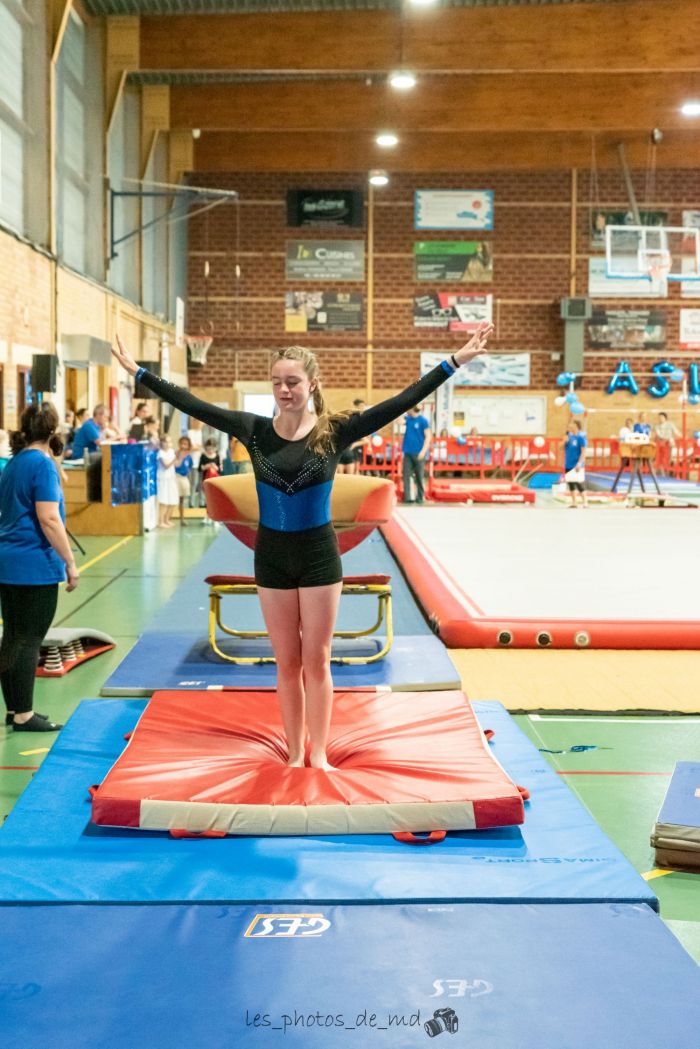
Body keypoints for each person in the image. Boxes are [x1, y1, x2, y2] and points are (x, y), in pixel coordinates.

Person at [112, 323, 493, 768]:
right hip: (271, 556)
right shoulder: (253, 430)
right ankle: (293, 754)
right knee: (286, 662)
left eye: (292, 382)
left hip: (317, 557)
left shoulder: (334, 432)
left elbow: (401, 401)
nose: (283, 390)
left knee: (318, 659)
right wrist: (141, 373)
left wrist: (454, 362)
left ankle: (319, 753)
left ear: (312, 383)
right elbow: (192, 402)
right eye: (276, 382)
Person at [0, 403, 79, 732]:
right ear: (53, 431)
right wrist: (70, 562)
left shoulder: (15, 463)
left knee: (13, 637)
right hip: (33, 564)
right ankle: (24, 714)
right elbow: (48, 518)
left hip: (8, 560)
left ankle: (15, 707)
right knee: (29, 639)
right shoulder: (42, 466)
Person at [402, 403, 431, 504]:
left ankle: (420, 498)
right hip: (407, 452)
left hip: (419, 452)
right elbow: (398, 421)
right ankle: (408, 498)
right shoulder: (408, 419)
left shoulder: (423, 421)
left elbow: (428, 437)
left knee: (419, 476)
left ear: (412, 409)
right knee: (406, 475)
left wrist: (423, 451)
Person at [563, 418, 588, 508]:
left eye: (572, 424)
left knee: (579, 482)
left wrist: (579, 463)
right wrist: (564, 441)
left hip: (576, 464)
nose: (570, 426)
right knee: (571, 483)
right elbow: (561, 448)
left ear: (576, 426)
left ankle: (585, 502)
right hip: (568, 463)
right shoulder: (568, 436)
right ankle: (574, 502)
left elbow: (583, 452)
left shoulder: (581, 437)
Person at [157, 435, 179, 528]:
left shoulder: (171, 451)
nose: (168, 444)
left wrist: (180, 458)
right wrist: (176, 458)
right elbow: (166, 465)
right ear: (161, 442)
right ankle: (160, 521)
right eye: (166, 441)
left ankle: (167, 519)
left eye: (169, 441)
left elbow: (176, 464)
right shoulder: (160, 453)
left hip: (171, 478)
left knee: (173, 500)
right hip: (163, 479)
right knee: (164, 500)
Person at [174, 436, 194, 524]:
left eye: (185, 444)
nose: (183, 446)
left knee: (182, 500)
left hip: (184, 478)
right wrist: (180, 457)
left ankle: (182, 518)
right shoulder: (176, 454)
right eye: (182, 443)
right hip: (176, 477)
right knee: (175, 498)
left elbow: (189, 469)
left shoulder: (189, 457)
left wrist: (189, 479)